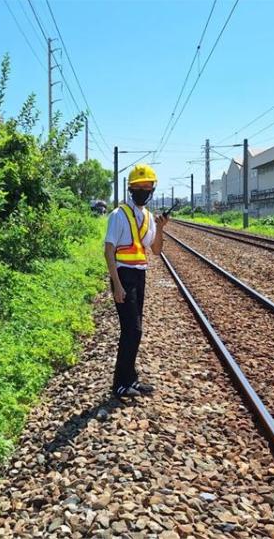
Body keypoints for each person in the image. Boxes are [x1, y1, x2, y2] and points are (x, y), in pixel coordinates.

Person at [103, 164, 168, 399]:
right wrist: (117, 284)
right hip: (124, 276)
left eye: (147, 186)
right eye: (139, 187)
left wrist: (160, 229)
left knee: (134, 331)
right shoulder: (118, 215)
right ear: (131, 189)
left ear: (152, 189)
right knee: (132, 330)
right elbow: (109, 251)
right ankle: (120, 383)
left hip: (139, 276)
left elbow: (157, 250)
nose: (143, 190)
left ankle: (130, 379)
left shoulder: (148, 217)